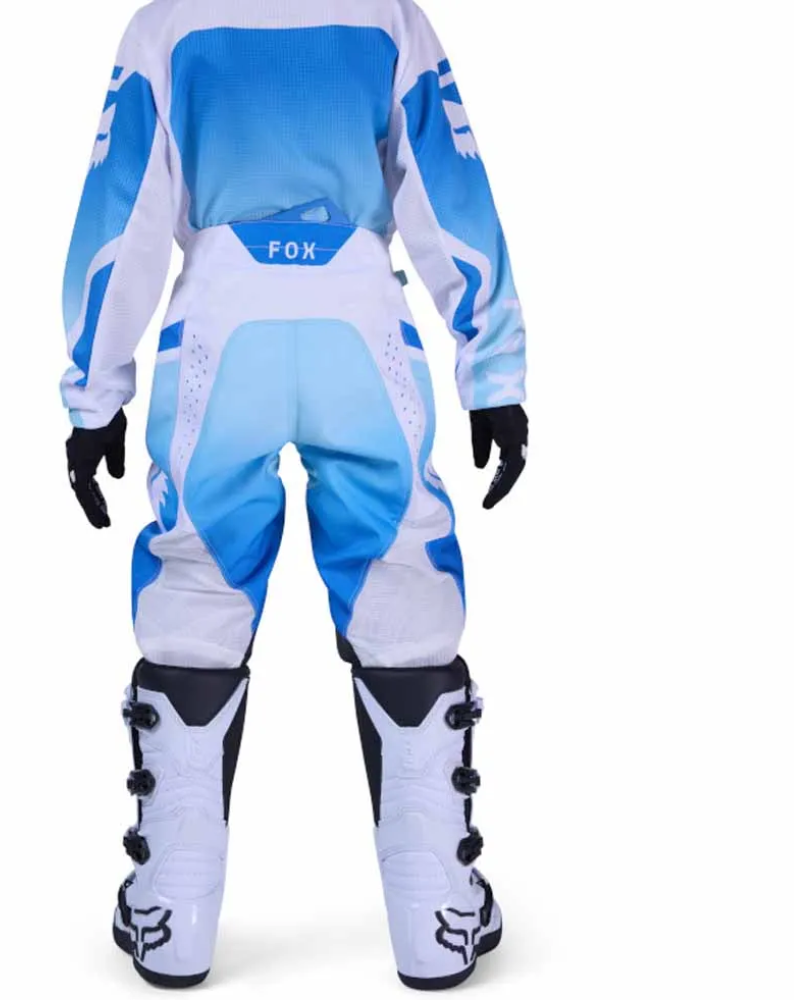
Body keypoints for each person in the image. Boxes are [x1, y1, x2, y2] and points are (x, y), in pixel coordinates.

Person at [60, 0, 527, 988]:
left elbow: (121, 215)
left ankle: (173, 916)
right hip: (360, 318)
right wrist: (492, 374)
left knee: (197, 581)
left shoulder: (167, 26)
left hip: (218, 326)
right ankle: (436, 913)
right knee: (400, 572)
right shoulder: (387, 17)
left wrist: (95, 396)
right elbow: (448, 187)